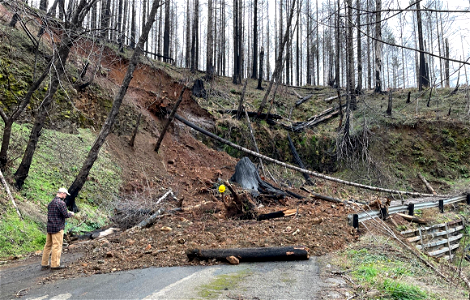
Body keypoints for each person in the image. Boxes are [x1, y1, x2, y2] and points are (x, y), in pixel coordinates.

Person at [41, 187, 74, 270]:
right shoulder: (61, 203)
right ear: (62, 193)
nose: (66, 196)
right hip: (58, 227)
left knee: (47, 246)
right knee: (57, 246)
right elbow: (66, 215)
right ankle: (55, 265)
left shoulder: (51, 202)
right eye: (65, 194)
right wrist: (71, 214)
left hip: (50, 227)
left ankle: (44, 264)